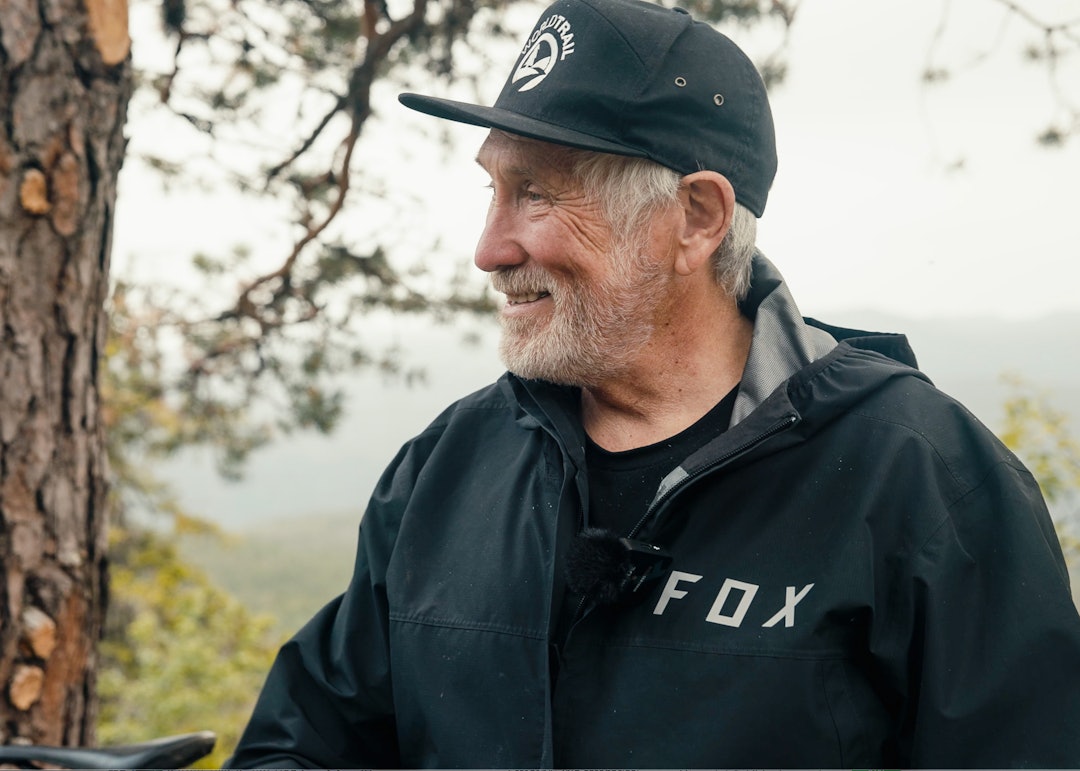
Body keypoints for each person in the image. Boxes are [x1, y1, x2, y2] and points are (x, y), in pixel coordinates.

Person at [228, 0, 1080, 766]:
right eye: (492, 189)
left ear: (696, 217)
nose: (489, 248)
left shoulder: (925, 481)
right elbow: (305, 743)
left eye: (536, 194)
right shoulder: (448, 469)